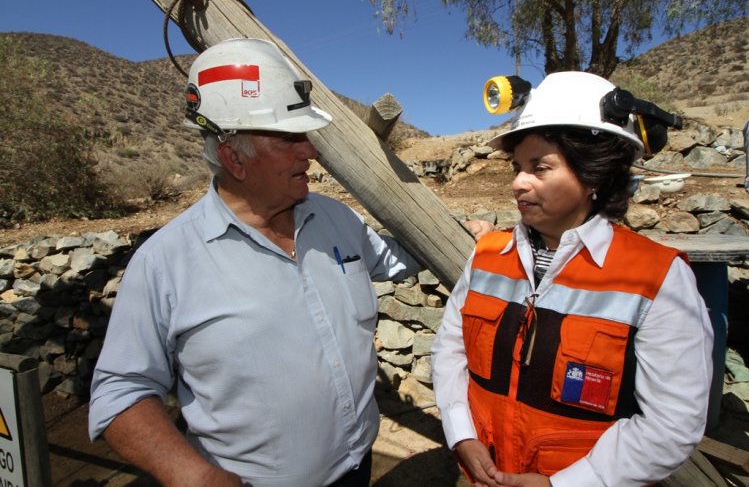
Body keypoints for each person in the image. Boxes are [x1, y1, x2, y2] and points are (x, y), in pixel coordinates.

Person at [87, 37, 487, 486]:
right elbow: (120, 392)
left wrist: (461, 238)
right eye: (289, 138)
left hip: (359, 470)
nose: (311, 152)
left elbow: (392, 258)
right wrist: (191, 475)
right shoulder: (165, 262)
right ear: (233, 157)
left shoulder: (334, 219)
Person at [432, 71, 714, 487]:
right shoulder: (487, 255)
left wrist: (563, 484)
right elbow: (449, 350)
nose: (517, 183)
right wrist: (461, 434)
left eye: (539, 167)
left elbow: (673, 423)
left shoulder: (656, 277)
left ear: (594, 175)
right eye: (517, 166)